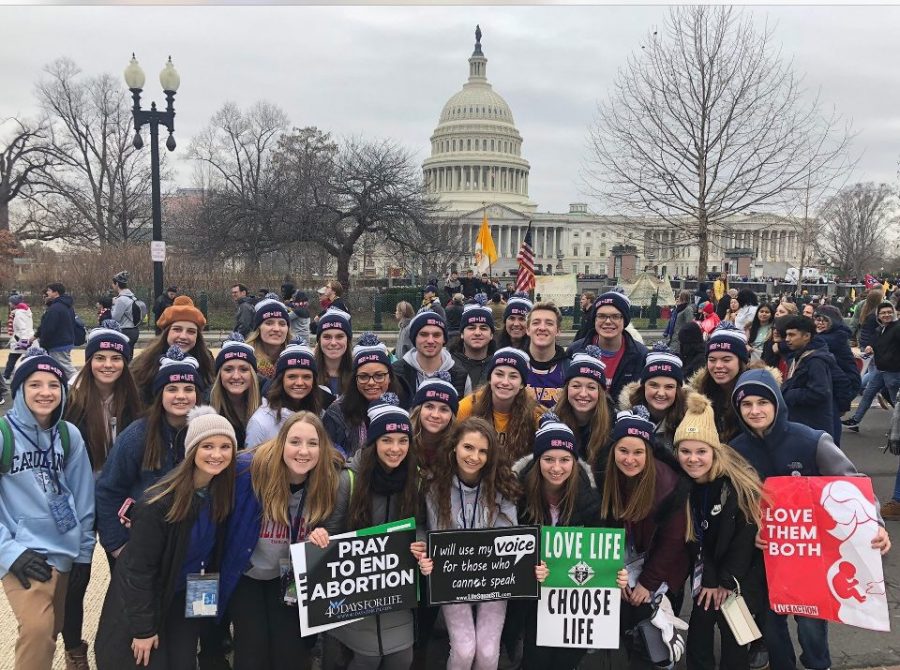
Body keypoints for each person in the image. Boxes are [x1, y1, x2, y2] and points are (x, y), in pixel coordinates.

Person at [729, 369, 892, 670]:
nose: (755, 410)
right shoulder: (736, 451)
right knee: (771, 619)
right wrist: (749, 532)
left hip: (812, 556)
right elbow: (735, 506)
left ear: (777, 403)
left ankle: (819, 664)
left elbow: (852, 485)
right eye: (746, 404)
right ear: (738, 409)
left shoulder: (811, 440)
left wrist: (876, 526)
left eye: (762, 402)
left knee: (811, 622)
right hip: (767, 557)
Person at [94, 406, 237, 670]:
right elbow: (137, 570)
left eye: (225, 447)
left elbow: (210, 555)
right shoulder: (158, 503)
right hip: (154, 597)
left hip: (190, 593)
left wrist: (203, 611)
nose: (216, 454)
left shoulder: (222, 494)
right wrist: (143, 630)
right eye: (207, 446)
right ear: (191, 449)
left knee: (183, 661)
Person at [220, 411, 352, 670]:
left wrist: (322, 534)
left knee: (289, 652)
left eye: (312, 443)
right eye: (295, 442)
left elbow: (332, 524)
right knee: (252, 650)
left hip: (288, 577)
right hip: (247, 574)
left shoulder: (328, 480)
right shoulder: (249, 471)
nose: (303, 451)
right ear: (282, 443)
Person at [0, 348, 95, 670]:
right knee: (39, 630)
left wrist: (83, 553)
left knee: (50, 630)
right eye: (34, 384)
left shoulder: (69, 436)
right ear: (20, 391)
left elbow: (83, 499)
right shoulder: (3, 434)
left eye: (54, 384)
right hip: (24, 552)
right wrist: (9, 551)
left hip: (64, 550)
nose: (45, 392)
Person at [61, 322, 141, 667]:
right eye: (100, 357)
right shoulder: (73, 401)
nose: (108, 364)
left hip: (116, 502)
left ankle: (120, 640)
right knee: (76, 578)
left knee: (123, 571)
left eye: (115, 358)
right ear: (89, 361)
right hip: (78, 500)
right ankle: (73, 647)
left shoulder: (133, 403)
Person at [416, 417, 520, 670]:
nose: (474, 456)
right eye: (468, 447)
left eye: (483, 451)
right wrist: (424, 552)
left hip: (493, 580)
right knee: (464, 650)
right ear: (454, 448)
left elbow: (510, 538)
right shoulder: (432, 485)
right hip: (451, 580)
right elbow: (424, 528)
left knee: (486, 652)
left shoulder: (502, 486)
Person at [329, 397, 424, 669]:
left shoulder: (415, 480)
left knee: (401, 658)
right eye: (387, 440)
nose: (395, 449)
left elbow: (423, 525)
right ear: (373, 443)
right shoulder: (348, 480)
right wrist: (321, 538)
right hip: (355, 590)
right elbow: (331, 533)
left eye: (402, 441)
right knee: (366, 659)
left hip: (397, 590)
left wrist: (419, 542)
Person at [674, 393, 765, 670]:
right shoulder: (682, 487)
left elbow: (744, 540)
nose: (693, 459)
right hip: (708, 569)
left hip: (741, 573)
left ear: (714, 452)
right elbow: (693, 538)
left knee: (735, 633)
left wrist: (726, 581)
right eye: (685, 451)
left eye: (701, 452)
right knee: (700, 626)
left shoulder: (735, 487)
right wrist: (710, 579)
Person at [599, 407, 691, 670]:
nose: (630, 459)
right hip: (625, 553)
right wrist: (612, 573)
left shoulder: (668, 485)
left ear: (649, 453)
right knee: (623, 608)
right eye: (623, 451)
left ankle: (661, 653)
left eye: (638, 452)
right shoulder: (606, 477)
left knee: (649, 618)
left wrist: (647, 584)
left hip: (660, 561)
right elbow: (604, 532)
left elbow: (673, 542)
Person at [511, 412, 602, 670]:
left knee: (566, 658)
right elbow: (507, 545)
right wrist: (528, 566)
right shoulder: (518, 494)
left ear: (574, 462)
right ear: (538, 460)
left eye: (564, 459)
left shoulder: (588, 498)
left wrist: (611, 574)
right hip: (529, 595)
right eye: (548, 459)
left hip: (570, 595)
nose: (556, 467)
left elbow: (598, 550)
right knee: (534, 658)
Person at [96, 348, 202, 561]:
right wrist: (117, 545)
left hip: (190, 543)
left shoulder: (206, 434)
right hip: (143, 543)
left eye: (188, 389)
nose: (181, 396)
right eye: (172, 389)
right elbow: (108, 490)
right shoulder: (137, 436)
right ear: (159, 394)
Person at [324, 333, 405, 457]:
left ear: (390, 378)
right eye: (363, 377)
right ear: (354, 380)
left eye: (379, 376)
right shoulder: (337, 412)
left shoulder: (404, 406)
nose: (371, 382)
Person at [457, 347, 545, 460]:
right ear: (489, 379)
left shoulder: (535, 412)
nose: (505, 382)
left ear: (522, 384)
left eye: (513, 376)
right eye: (499, 374)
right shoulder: (468, 406)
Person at [245, 341, 330, 449]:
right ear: (281, 380)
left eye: (306, 377)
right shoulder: (261, 422)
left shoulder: (320, 413)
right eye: (292, 376)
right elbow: (252, 463)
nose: (299, 382)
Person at [131, 296, 215, 404]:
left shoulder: (207, 361)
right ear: (166, 332)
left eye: (191, 331)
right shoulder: (144, 363)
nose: (183, 336)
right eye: (177, 329)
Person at [568, 291, 648, 401]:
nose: (608, 321)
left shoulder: (641, 355)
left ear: (624, 320)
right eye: (601, 316)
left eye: (615, 316)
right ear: (594, 320)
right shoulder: (575, 350)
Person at [778, 315, 845, 439]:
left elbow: (819, 392)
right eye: (786, 335)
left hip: (813, 426)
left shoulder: (815, 361)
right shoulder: (798, 356)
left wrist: (788, 393)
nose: (787, 339)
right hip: (802, 423)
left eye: (792, 335)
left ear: (807, 336)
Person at [620, 343, 693, 454]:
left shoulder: (691, 420)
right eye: (654, 385)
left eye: (669, 387)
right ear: (643, 387)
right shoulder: (624, 417)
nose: (661, 393)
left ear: (677, 391)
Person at [689, 323, 751, 443]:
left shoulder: (757, 395)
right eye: (712, 360)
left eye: (726, 360)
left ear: (741, 362)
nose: (718, 366)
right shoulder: (698, 395)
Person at [843, 301, 900, 432]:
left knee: (896, 402)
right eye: (883, 313)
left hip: (893, 372)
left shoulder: (897, 328)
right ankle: (855, 421)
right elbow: (875, 343)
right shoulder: (880, 329)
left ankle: (897, 430)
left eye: (889, 312)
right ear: (878, 316)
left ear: (894, 313)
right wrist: (870, 346)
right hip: (881, 370)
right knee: (868, 393)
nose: (886, 315)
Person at [552, 346, 613, 462]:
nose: (583, 394)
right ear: (566, 389)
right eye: (576, 386)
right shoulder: (552, 420)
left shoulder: (615, 424)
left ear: (601, 393)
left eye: (591, 387)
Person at [393, 308, 471, 397]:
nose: (430, 340)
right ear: (414, 338)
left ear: (444, 339)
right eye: (424, 334)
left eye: (436, 335)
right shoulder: (395, 372)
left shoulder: (461, 376)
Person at [209, 333, 262, 449]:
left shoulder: (267, 404)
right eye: (228, 369)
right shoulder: (206, 407)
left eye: (243, 369)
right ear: (219, 375)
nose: (236, 376)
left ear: (252, 374)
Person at [409, 371, 459, 472]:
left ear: (452, 416)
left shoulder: (457, 447)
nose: (435, 415)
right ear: (418, 410)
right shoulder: (403, 440)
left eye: (444, 409)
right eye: (429, 407)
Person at [525, 302, 570, 409]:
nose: (542, 328)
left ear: (558, 331)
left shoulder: (569, 369)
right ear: (527, 330)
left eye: (549, 323)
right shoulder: (515, 366)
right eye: (536, 323)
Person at [449, 294, 497, 390]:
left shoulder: (499, 365)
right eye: (471, 328)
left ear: (491, 335)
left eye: (483, 328)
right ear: (462, 333)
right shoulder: (448, 364)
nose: (477, 333)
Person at [34, 282, 78, 380]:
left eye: (49, 290)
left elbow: (48, 328)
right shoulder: (67, 306)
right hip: (67, 340)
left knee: (68, 370)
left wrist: (43, 343)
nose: (47, 292)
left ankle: (81, 386)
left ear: (56, 292)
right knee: (60, 368)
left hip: (57, 343)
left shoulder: (55, 308)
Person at [246, 295, 291, 381]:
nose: (276, 329)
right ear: (258, 328)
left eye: (282, 324)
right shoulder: (246, 360)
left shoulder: (296, 358)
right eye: (269, 323)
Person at [314, 307, 354, 396]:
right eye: (327, 337)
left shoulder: (359, 375)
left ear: (348, 340)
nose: (333, 343)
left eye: (339, 337)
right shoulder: (308, 374)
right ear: (319, 341)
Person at [5, 292, 34, 381]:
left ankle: (6, 376)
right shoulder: (26, 312)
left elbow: (22, 328)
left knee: (12, 358)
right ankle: (29, 374)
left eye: (10, 302)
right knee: (29, 358)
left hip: (21, 339)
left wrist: (24, 341)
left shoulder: (19, 314)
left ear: (14, 304)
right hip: (29, 338)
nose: (9, 304)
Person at [110, 270, 141, 349]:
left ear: (117, 284)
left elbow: (115, 318)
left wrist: (113, 305)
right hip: (134, 330)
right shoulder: (133, 297)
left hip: (125, 331)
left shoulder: (121, 300)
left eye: (113, 284)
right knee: (129, 356)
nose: (112, 286)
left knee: (124, 358)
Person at [666, 290, 695, 354]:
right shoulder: (678, 309)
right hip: (673, 338)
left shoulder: (688, 309)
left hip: (679, 339)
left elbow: (689, 325)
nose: (677, 298)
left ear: (684, 298)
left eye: (679, 297)